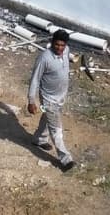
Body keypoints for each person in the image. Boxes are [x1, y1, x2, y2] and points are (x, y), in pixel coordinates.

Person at [26, 29, 76, 170]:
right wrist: (31, 101)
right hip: (48, 99)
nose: (59, 48)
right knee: (56, 129)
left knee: (47, 117)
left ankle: (39, 139)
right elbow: (34, 80)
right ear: (52, 42)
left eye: (62, 45)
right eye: (57, 45)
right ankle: (66, 159)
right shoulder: (44, 58)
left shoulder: (66, 51)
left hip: (61, 97)